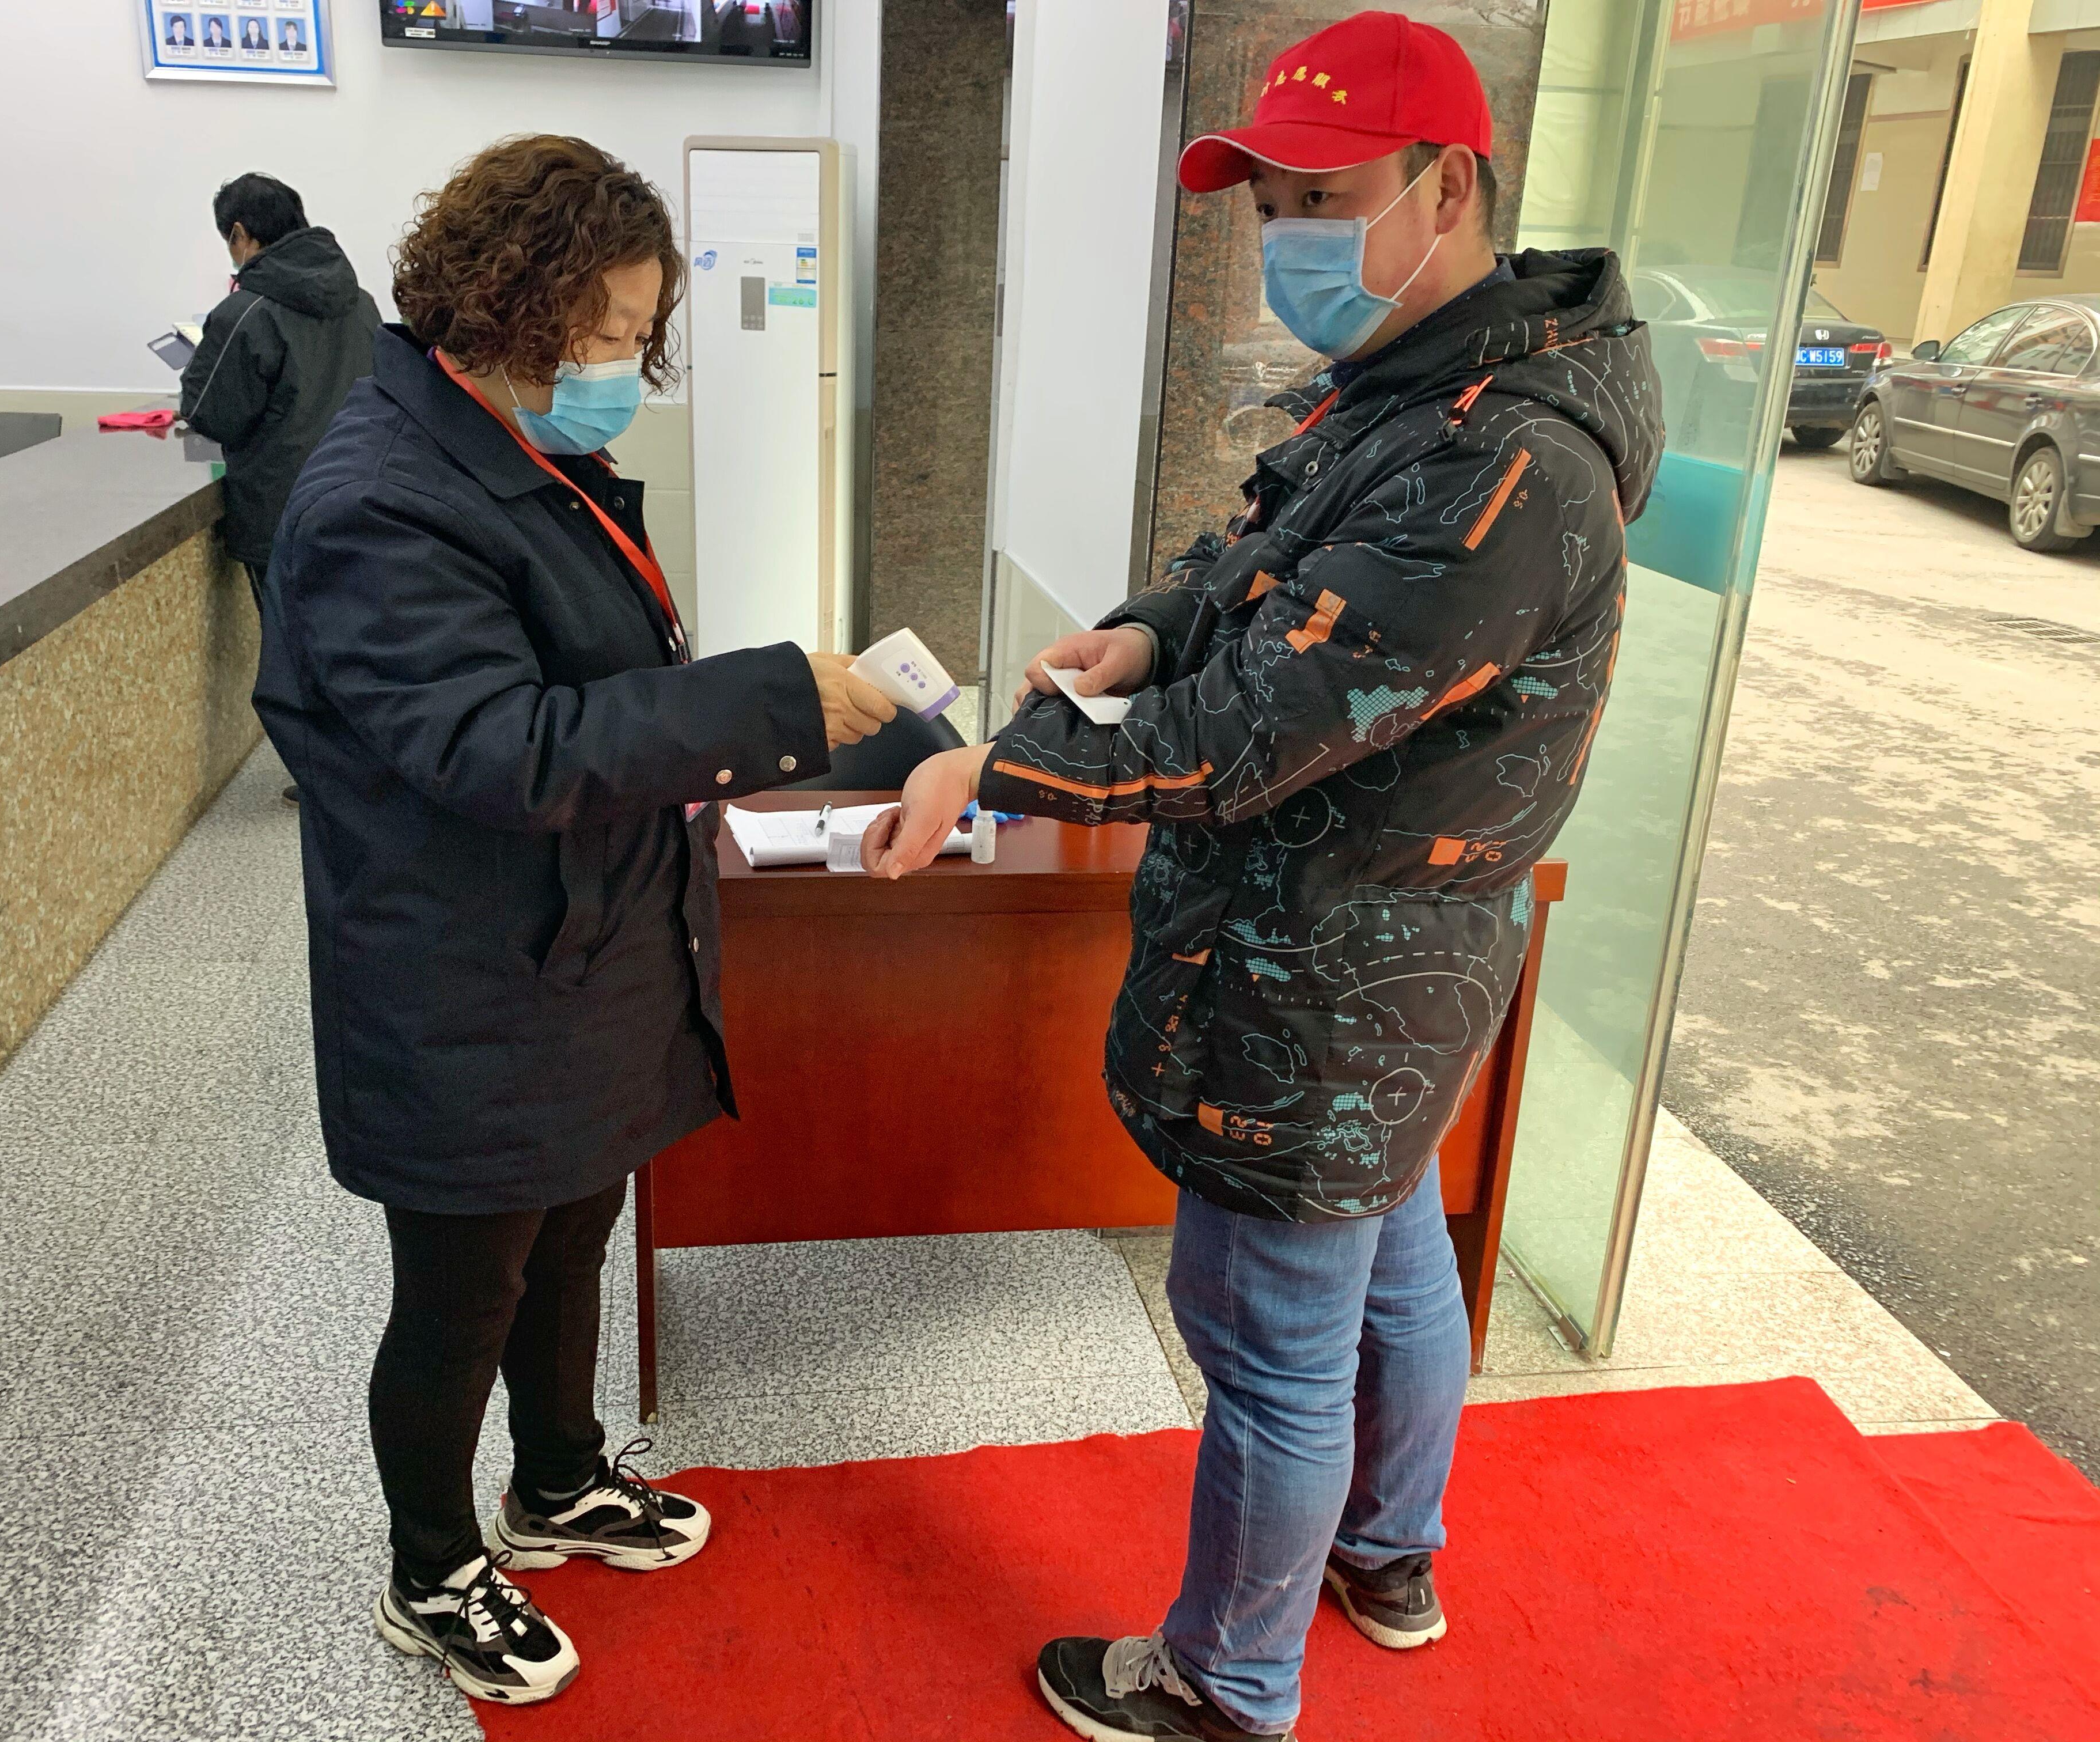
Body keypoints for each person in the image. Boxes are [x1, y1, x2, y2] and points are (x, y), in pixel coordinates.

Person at [863, 14, 1662, 1740]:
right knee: (1394, 1255)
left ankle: (1228, 1685)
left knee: (1274, 1342)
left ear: (1448, 189)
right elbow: (1260, 563)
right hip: (1383, 960)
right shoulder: (1415, 388)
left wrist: (988, 769)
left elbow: (1256, 731)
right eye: (1270, 205)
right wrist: (1151, 626)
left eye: (1325, 198)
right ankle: (1390, 1553)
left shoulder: (1498, 459)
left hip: (1328, 981)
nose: (1289, 238)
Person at [251, 134, 895, 1707]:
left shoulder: (518, 453)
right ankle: (432, 1564)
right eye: (602, 333)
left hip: (581, 943)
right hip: (462, 971)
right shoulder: (381, 501)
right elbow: (498, 746)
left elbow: (596, 676)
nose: (620, 365)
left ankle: (557, 1480)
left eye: (636, 333)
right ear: (502, 306)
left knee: (574, 1233)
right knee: (463, 1290)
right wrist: (766, 704)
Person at [180, 172, 377, 801]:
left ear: (241, 235)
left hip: (283, 507)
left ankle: (328, 781)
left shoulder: (246, 312)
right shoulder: (361, 302)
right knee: (361, 637)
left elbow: (210, 412)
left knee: (295, 653)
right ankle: (374, 764)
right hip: (366, 493)